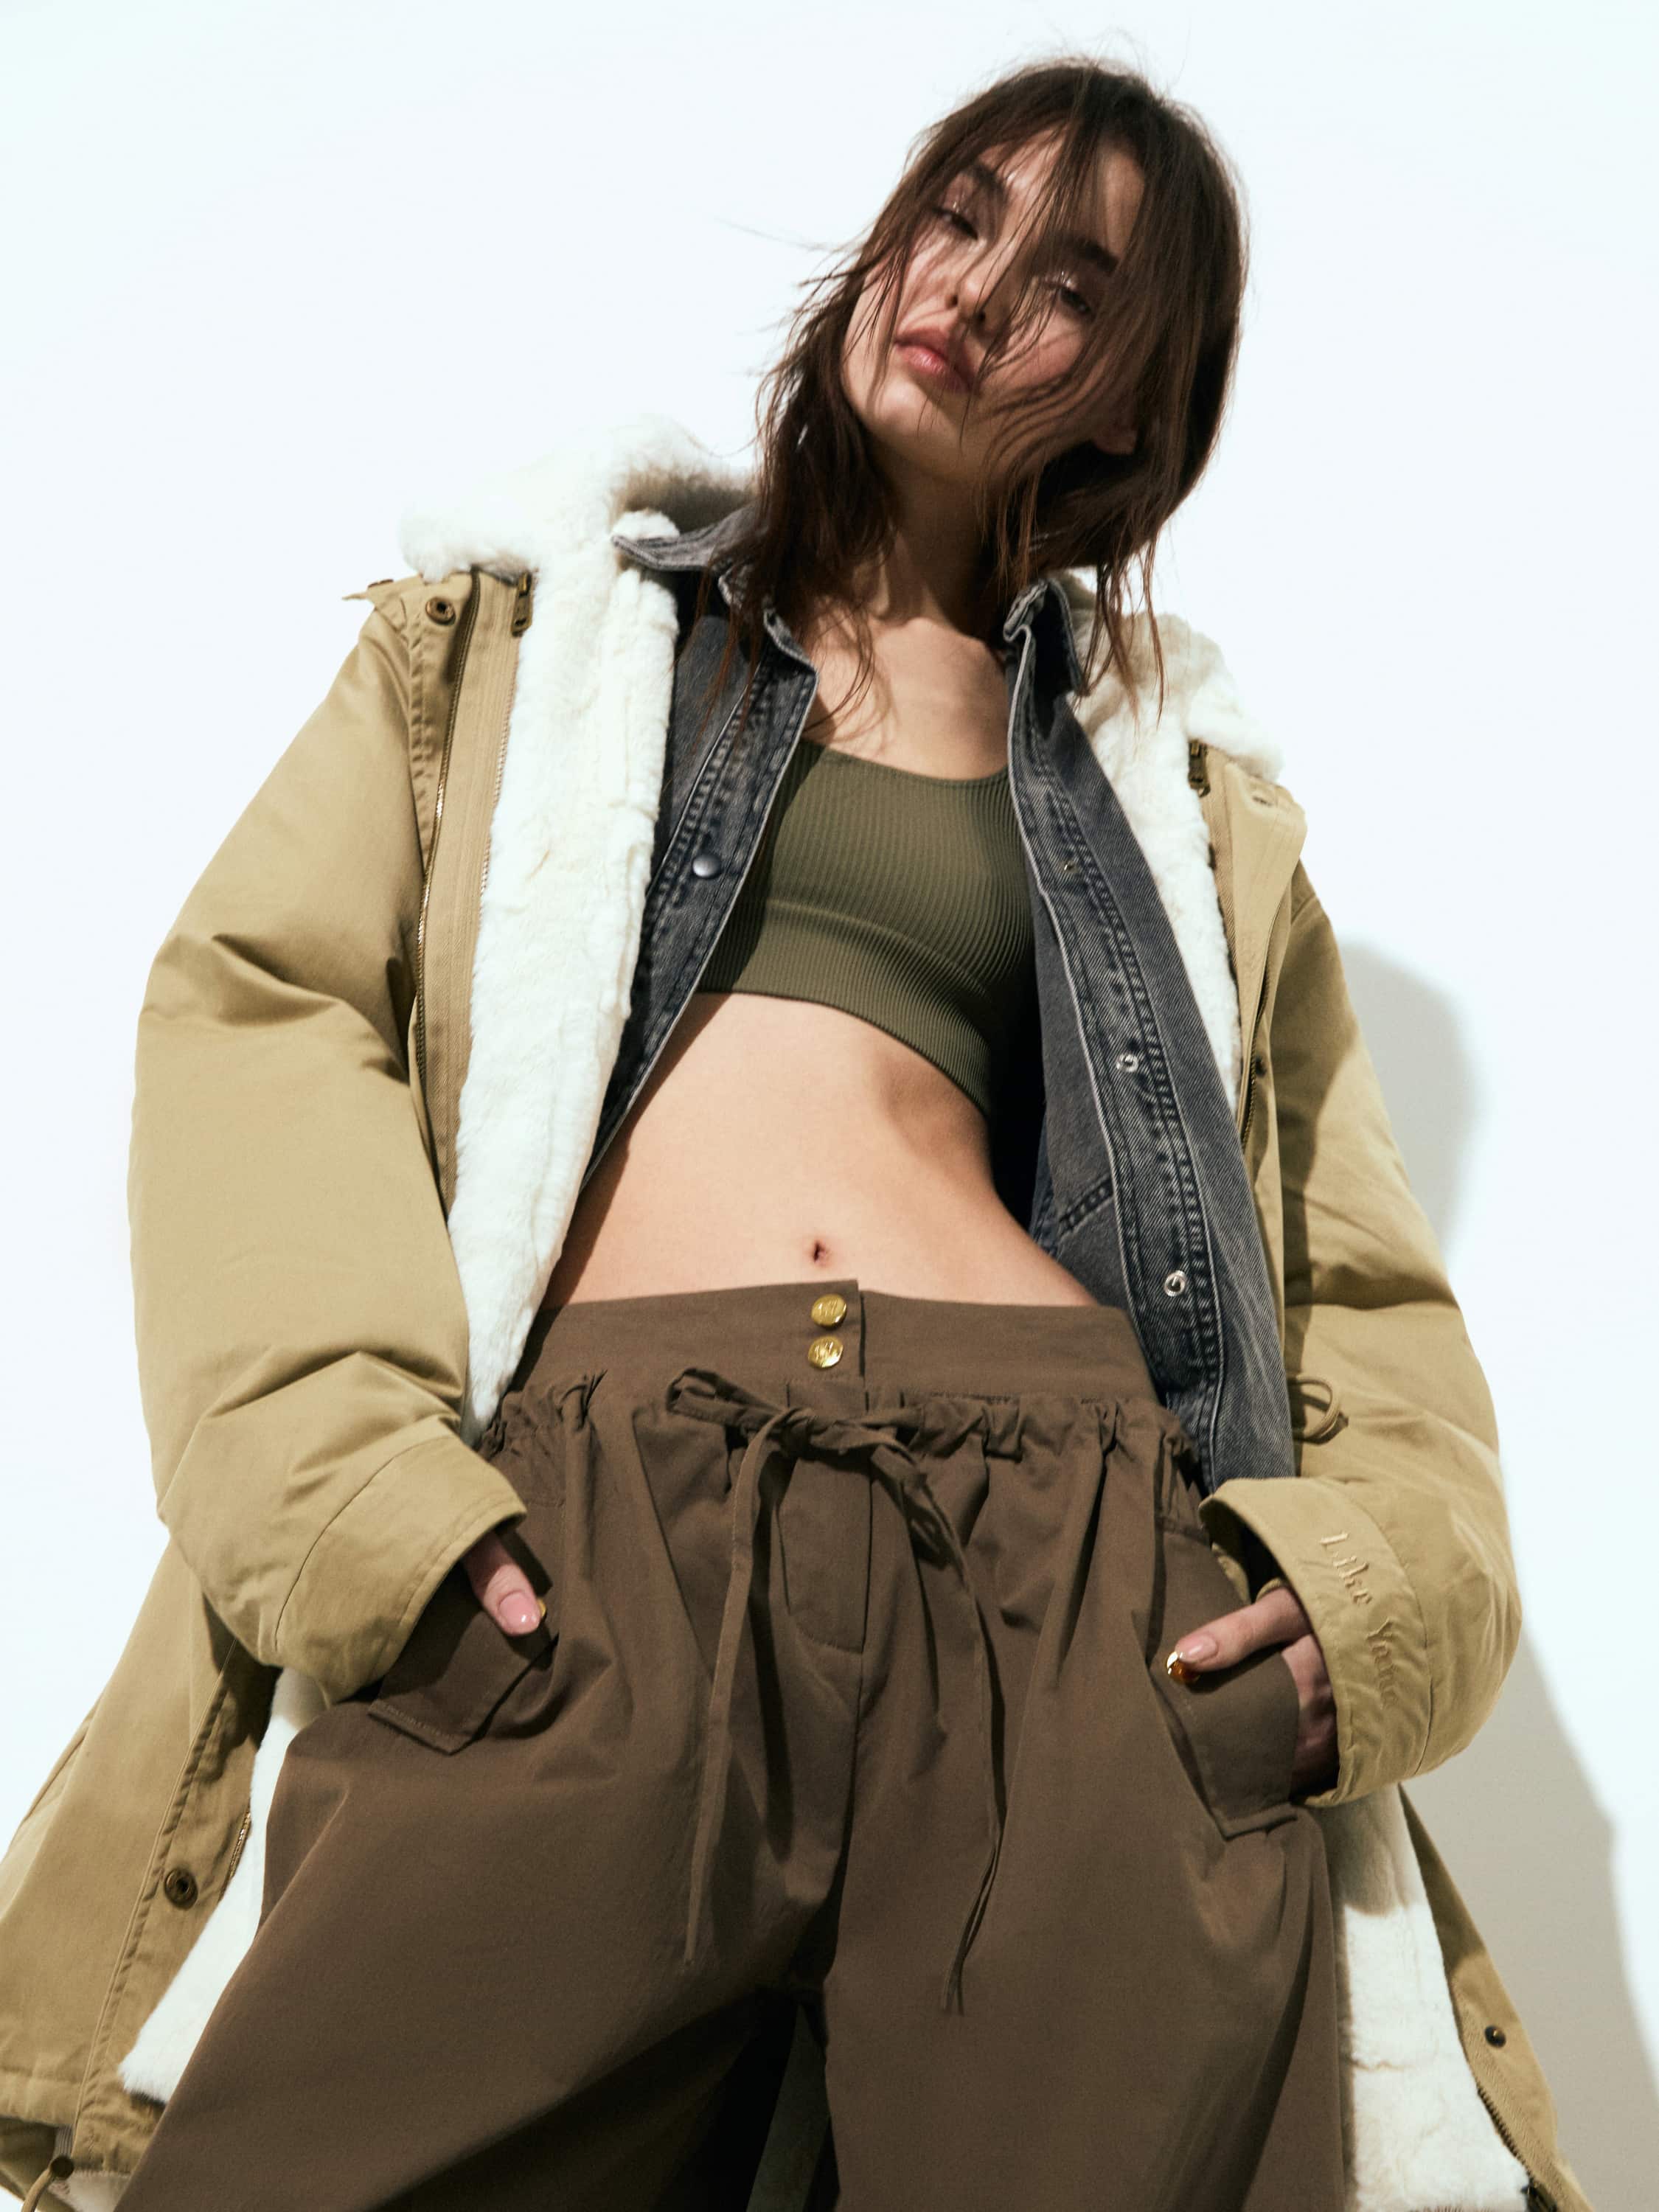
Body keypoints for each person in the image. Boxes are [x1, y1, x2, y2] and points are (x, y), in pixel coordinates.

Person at [0, 53, 1590, 2212]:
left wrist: (1369, 1609)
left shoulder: (1184, 812)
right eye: (961, 213)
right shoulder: (527, 638)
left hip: (1068, 1581)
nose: (977, 288)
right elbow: (265, 1020)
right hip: (593, 1535)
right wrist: (356, 1502)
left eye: (1071, 284)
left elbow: (1351, 1282)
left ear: (1134, 404)